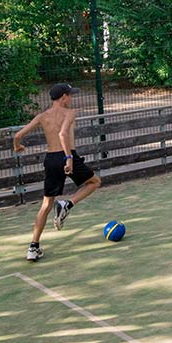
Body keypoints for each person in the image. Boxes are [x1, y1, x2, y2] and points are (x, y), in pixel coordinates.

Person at [12, 83, 101, 261]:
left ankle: (33, 247)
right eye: (70, 95)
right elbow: (62, 134)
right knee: (95, 182)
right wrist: (68, 158)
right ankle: (67, 204)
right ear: (63, 97)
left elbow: (17, 136)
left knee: (46, 205)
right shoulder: (70, 113)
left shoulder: (42, 116)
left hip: (51, 159)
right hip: (68, 156)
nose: (72, 98)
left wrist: (18, 147)